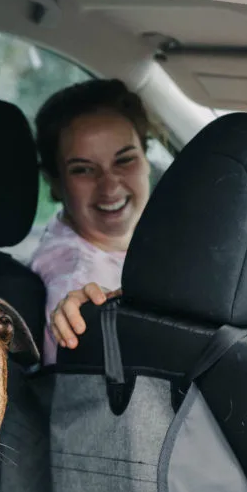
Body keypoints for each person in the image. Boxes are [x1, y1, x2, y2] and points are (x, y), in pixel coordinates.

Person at [30, 79, 152, 363]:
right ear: (56, 183)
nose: (109, 186)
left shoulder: (156, 239)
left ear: (146, 159)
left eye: (124, 160)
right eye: (83, 169)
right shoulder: (76, 281)